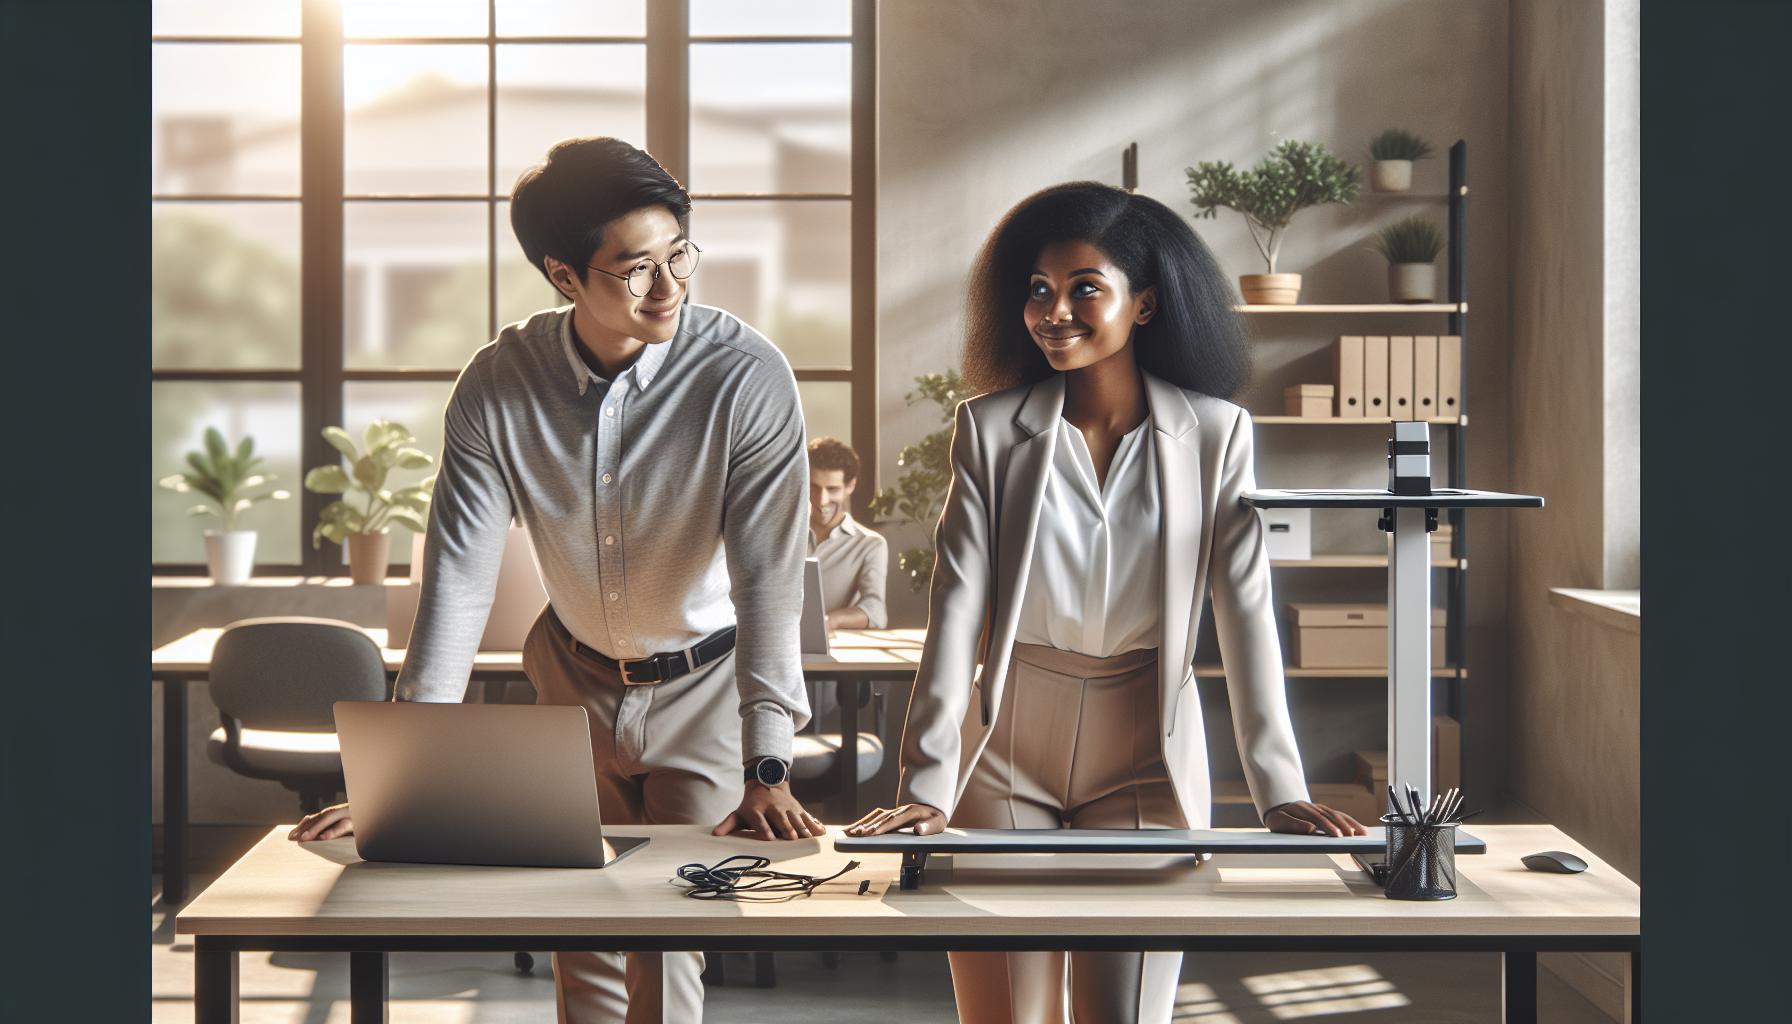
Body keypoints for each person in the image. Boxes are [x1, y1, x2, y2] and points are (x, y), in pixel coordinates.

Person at [289, 136, 824, 1024]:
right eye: (636, 269)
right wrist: (400, 780)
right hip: (568, 677)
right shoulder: (500, 383)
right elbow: (456, 578)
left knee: (669, 934)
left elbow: (769, 578)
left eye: (679, 254)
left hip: (702, 681)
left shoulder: (745, 376)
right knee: (579, 929)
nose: (669, 288)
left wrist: (768, 760)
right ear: (565, 275)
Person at [847, 182, 1367, 1023]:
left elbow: (1244, 609)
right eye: (1039, 290)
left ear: (1146, 301)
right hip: (1006, 741)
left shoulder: (1217, 433)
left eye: (1085, 287)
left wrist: (1279, 790)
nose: (1054, 310)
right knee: (1006, 1014)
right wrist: (930, 782)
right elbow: (955, 610)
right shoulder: (989, 429)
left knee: (1121, 1013)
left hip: (1145, 746)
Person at [806, 437, 889, 633]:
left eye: (832, 489)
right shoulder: (780, 534)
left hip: (834, 655)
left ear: (850, 486)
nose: (822, 500)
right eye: (814, 487)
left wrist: (830, 621)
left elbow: (876, 612)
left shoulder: (870, 545)